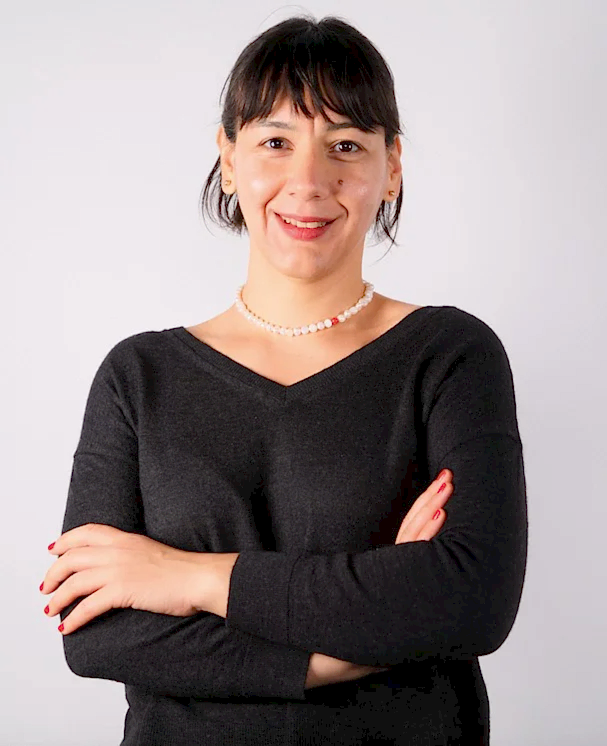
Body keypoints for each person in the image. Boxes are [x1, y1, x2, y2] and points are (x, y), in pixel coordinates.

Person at [42, 14, 528, 745]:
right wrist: (348, 645)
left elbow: (470, 601)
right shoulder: (137, 376)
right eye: (275, 142)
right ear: (228, 158)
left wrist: (189, 577)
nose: (308, 182)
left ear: (392, 167)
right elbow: (95, 633)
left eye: (345, 146)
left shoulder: (451, 356)